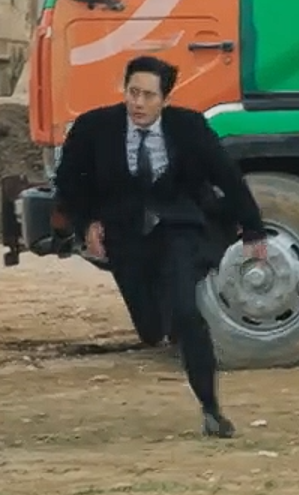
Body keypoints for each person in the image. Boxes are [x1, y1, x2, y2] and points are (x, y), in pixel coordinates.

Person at [53, 55, 267, 438]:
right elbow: (70, 182)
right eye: (132, 93)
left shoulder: (189, 127)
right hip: (125, 235)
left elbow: (227, 176)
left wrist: (253, 229)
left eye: (148, 96)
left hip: (177, 228)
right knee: (151, 329)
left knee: (186, 313)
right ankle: (160, 321)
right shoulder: (94, 128)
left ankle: (211, 409)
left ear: (165, 100)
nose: (138, 103)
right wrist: (86, 223)